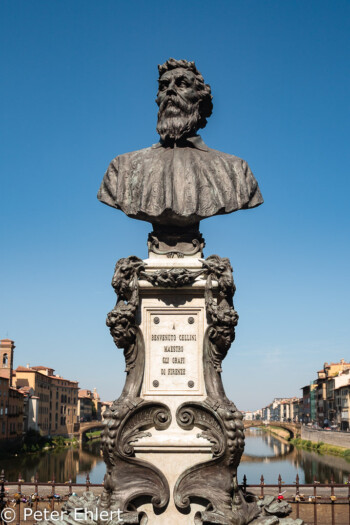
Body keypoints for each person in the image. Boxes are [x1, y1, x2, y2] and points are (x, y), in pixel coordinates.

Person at [97, 59, 263, 230]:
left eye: (181, 84)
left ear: (200, 99)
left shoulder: (235, 169)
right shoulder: (123, 166)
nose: (170, 91)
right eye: (163, 86)